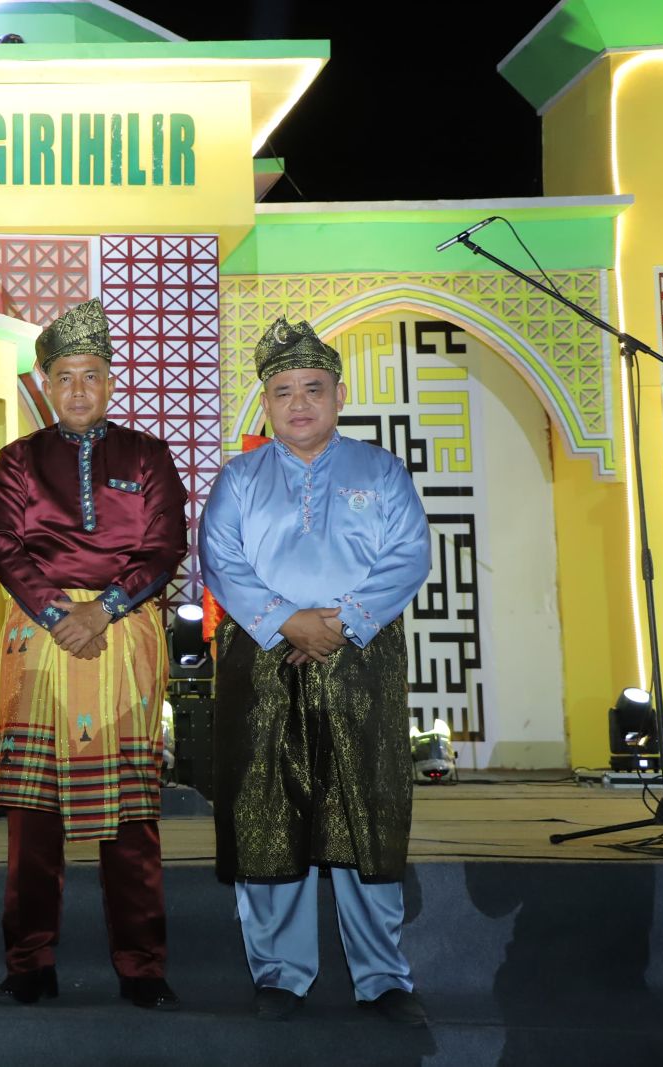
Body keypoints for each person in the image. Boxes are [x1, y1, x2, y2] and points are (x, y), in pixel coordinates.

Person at [198, 316, 432, 1027]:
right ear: (265, 403)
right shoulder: (239, 478)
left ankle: (382, 977)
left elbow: (408, 554)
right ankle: (280, 973)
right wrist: (285, 621)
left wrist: (341, 622)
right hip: (263, 660)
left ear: (339, 395)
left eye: (313, 388)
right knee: (269, 809)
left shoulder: (381, 471)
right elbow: (221, 560)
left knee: (365, 809)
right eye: (283, 391)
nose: (298, 403)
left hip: (361, 657)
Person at [0, 298, 188, 1010]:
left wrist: (104, 609)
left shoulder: (147, 456)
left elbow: (164, 545)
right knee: (33, 819)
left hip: (122, 638)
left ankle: (143, 966)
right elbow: (0, 542)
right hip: (40, 641)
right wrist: (57, 612)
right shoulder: (17, 460)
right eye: (63, 377)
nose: (76, 390)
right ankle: (29, 963)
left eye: (90, 375)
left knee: (131, 819)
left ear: (109, 380)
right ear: (46, 383)